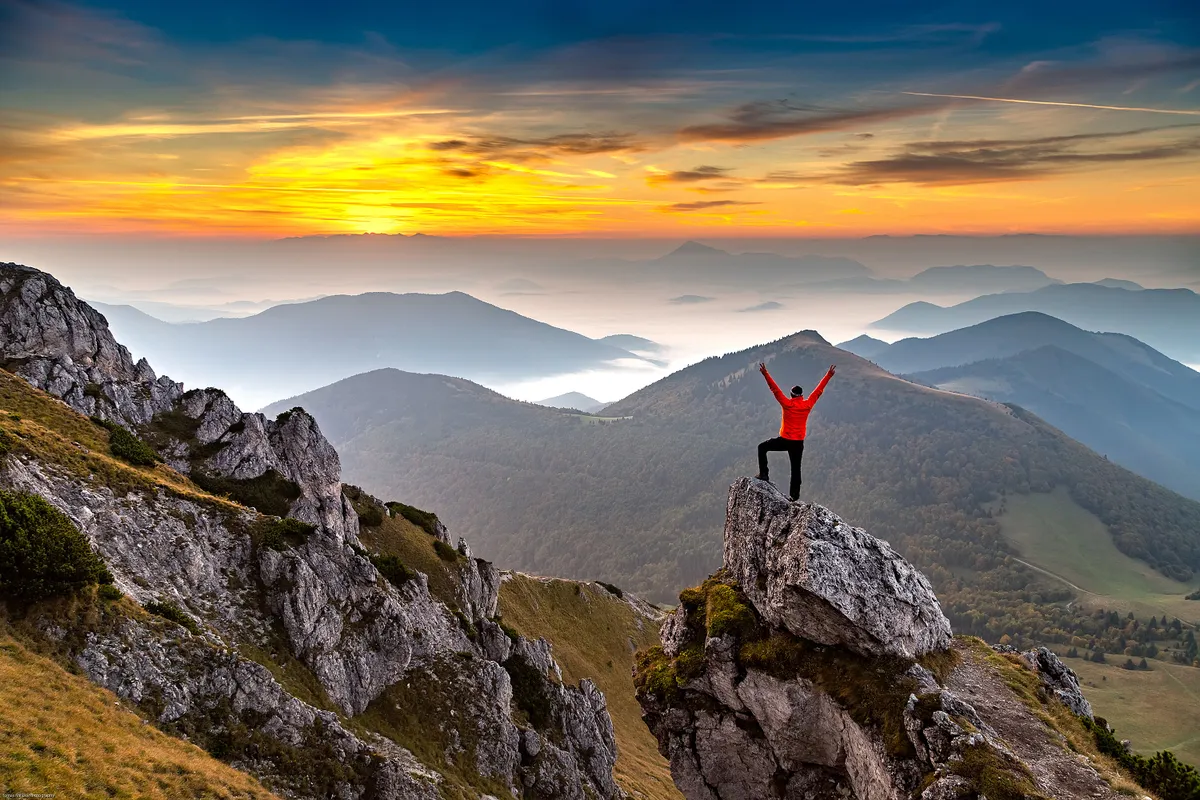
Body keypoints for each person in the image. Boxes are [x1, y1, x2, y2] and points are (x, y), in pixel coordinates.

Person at [756, 361, 835, 501]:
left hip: (785, 440)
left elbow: (774, 389)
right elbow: (818, 391)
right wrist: (829, 375)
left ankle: (764, 474)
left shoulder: (787, 404)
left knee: (762, 447)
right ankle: (794, 497)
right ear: (801, 395)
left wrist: (765, 373)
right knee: (796, 469)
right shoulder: (807, 405)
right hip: (798, 442)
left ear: (792, 395)